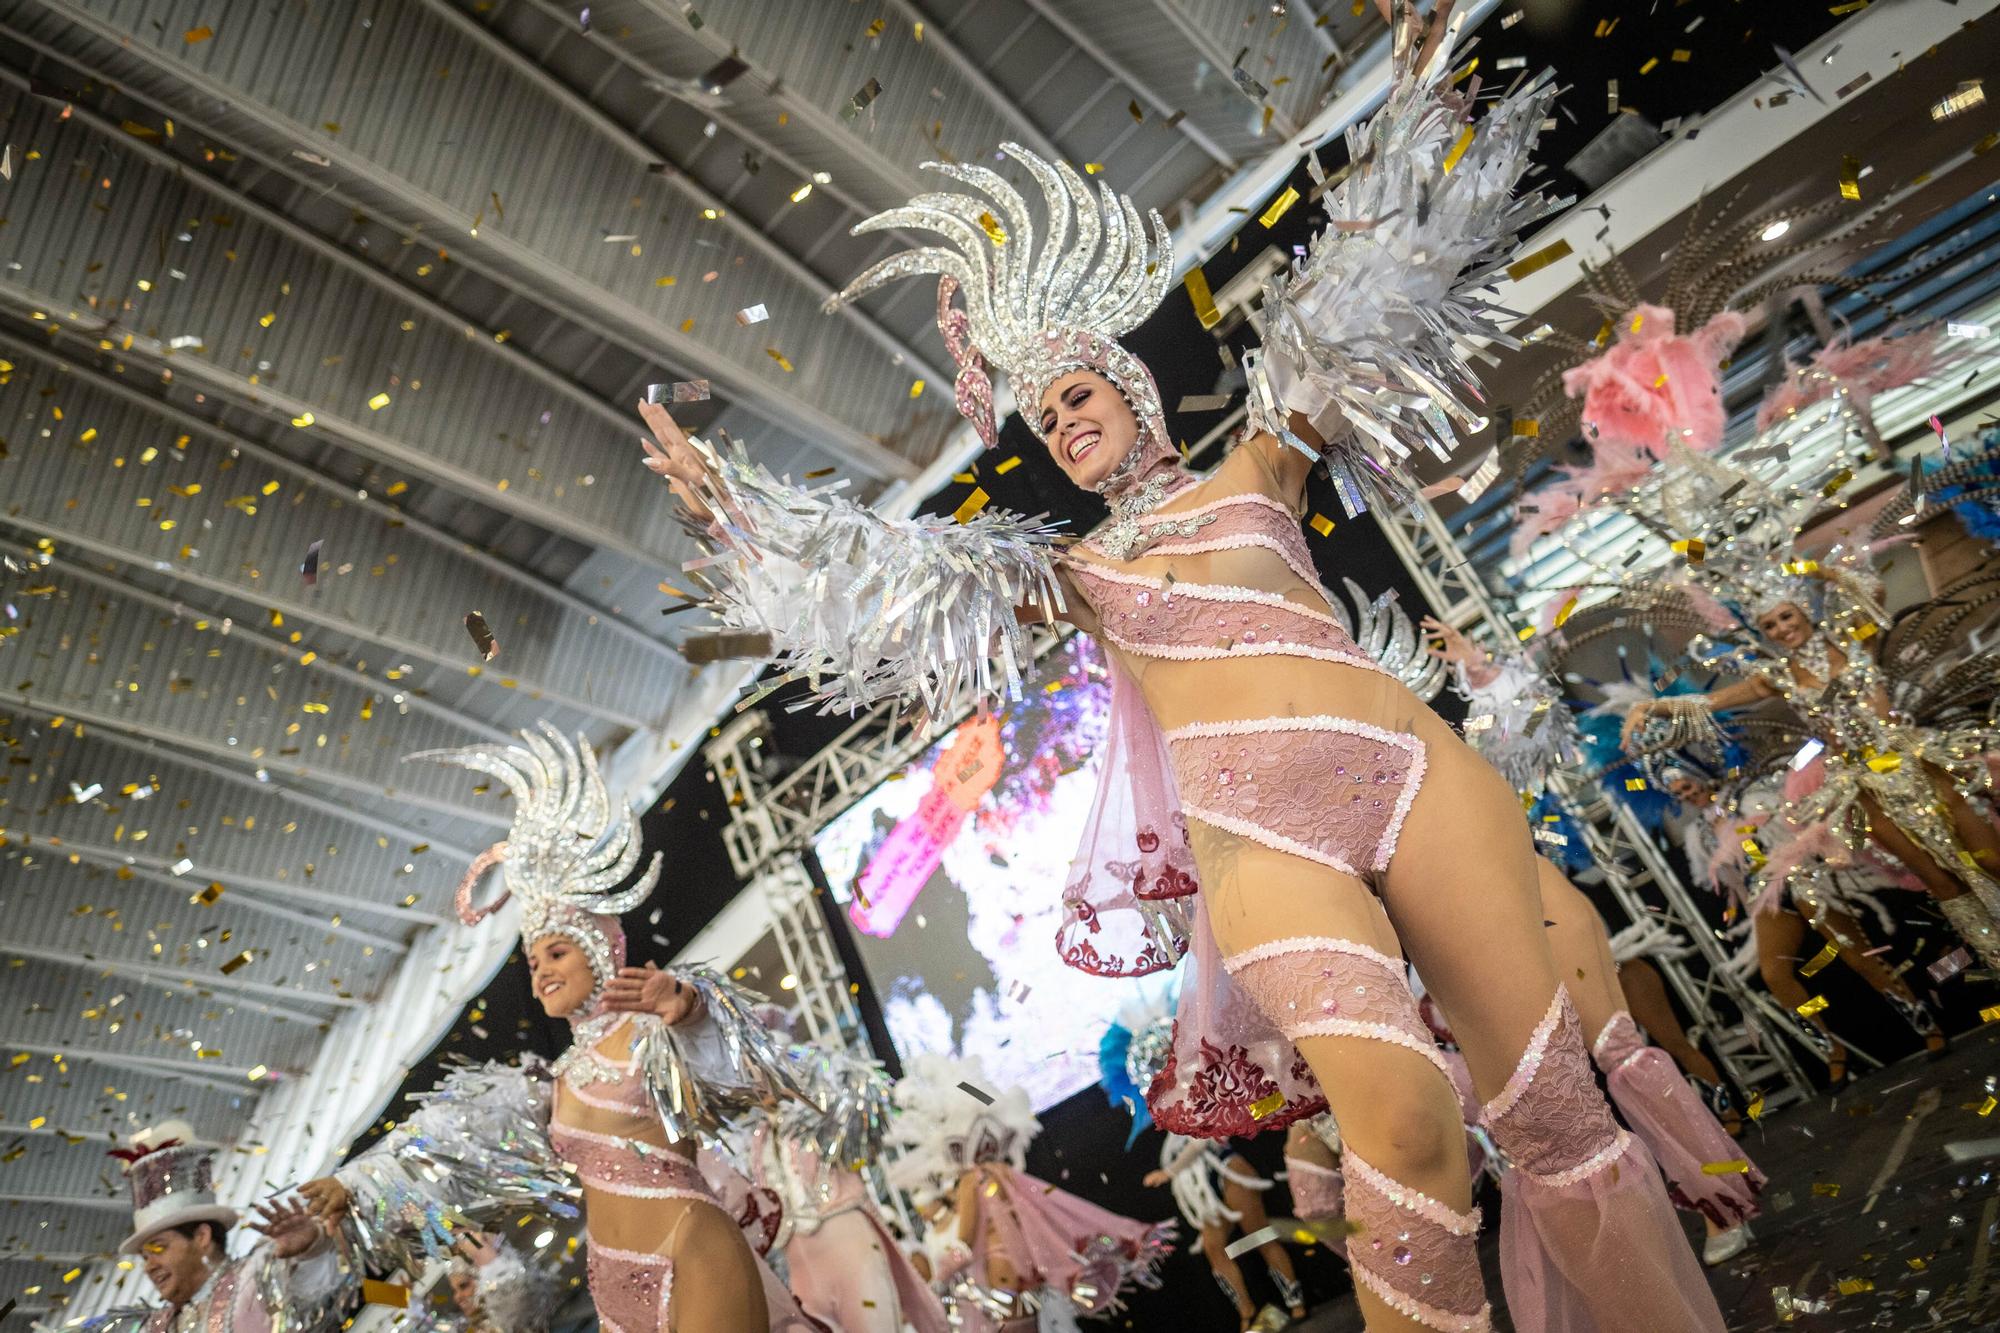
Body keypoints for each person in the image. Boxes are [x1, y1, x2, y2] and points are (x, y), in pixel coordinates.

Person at [635, 7, 1725, 1328]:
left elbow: (1351, 299)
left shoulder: (1259, 467)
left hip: (1415, 775)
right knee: (1408, 1122)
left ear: (1132, 387)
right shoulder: (1072, 573)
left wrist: (1414, 110)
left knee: (1552, 1120)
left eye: (1081, 392)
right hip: (1264, 847)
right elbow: (897, 575)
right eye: (1044, 419)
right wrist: (748, 520)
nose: (1066, 420)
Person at [292, 723, 819, 1333]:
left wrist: (692, 1009)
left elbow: (743, 1076)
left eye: (557, 953)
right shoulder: (551, 1085)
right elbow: (447, 1140)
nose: (541, 969)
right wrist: (354, 1181)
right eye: (534, 959)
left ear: (598, 952)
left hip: (688, 1245)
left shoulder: (651, 1033)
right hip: (615, 1283)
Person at [889, 1055, 1171, 1333]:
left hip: (1003, 1282)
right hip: (1023, 1278)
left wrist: (936, 1282)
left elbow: (963, 1246)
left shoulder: (971, 1181)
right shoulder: (1003, 1172)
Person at [57, 1122, 355, 1333]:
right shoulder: (154, 1326)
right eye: (145, 1257)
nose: (149, 1267)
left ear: (202, 1237)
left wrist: (314, 1248)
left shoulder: (257, 1275)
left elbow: (323, 1289)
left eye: (158, 1248)